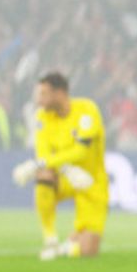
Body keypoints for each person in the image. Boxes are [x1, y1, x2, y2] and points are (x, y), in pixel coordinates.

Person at [14, 72, 109, 260]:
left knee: (88, 250)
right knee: (44, 175)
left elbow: (81, 151)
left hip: (91, 182)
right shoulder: (42, 117)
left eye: (44, 94)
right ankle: (50, 239)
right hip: (65, 177)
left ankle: (65, 248)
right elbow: (44, 155)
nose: (39, 100)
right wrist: (66, 169)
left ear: (59, 93)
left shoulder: (86, 110)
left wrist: (36, 164)